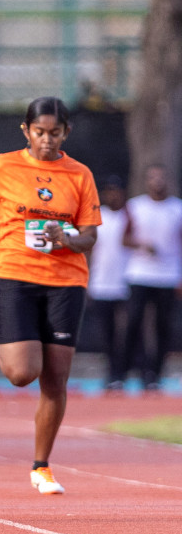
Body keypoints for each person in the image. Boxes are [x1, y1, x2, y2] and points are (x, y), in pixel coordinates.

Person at [0, 96, 101, 495]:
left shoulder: (79, 175)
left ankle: (42, 466)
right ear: (26, 131)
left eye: (55, 133)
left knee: (56, 379)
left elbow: (89, 236)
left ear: (66, 133)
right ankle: (21, 342)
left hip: (66, 282)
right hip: (15, 275)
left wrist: (66, 237)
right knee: (22, 373)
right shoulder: (4, 166)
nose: (47, 140)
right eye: (40, 132)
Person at [121, 164, 182, 391]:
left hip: (168, 276)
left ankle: (154, 374)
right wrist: (142, 244)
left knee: (163, 327)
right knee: (133, 322)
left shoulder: (177, 208)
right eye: (152, 178)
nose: (157, 182)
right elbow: (124, 239)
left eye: (161, 177)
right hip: (140, 274)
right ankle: (126, 370)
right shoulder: (135, 206)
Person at [85, 175, 130, 391]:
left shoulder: (130, 216)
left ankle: (125, 372)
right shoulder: (96, 217)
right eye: (109, 191)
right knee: (107, 333)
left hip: (127, 284)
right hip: (101, 284)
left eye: (117, 190)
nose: (113, 195)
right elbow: (89, 250)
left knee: (128, 332)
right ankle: (112, 374)